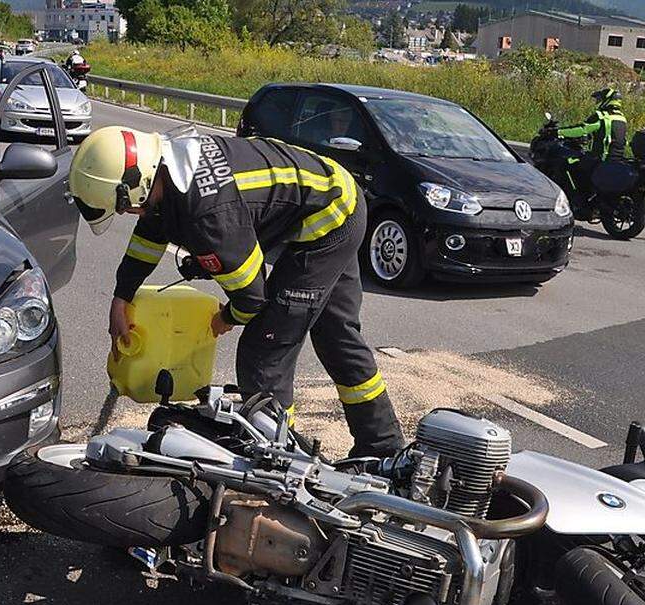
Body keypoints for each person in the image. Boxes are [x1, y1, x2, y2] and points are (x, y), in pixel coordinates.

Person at [69, 127, 407, 458]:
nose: (128, 213)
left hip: (331, 219)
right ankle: (383, 447)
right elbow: (149, 235)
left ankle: (277, 462)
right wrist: (121, 296)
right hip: (336, 193)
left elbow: (252, 297)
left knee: (264, 347)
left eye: (124, 206)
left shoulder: (210, 217)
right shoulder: (170, 169)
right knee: (337, 336)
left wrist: (224, 318)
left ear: (137, 185)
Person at [556, 87, 627, 199]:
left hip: (601, 159)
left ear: (607, 99)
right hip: (617, 160)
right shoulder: (621, 118)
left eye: (600, 99)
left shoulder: (602, 116)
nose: (598, 102)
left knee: (570, 163)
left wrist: (558, 131)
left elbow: (582, 129)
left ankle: (580, 198)